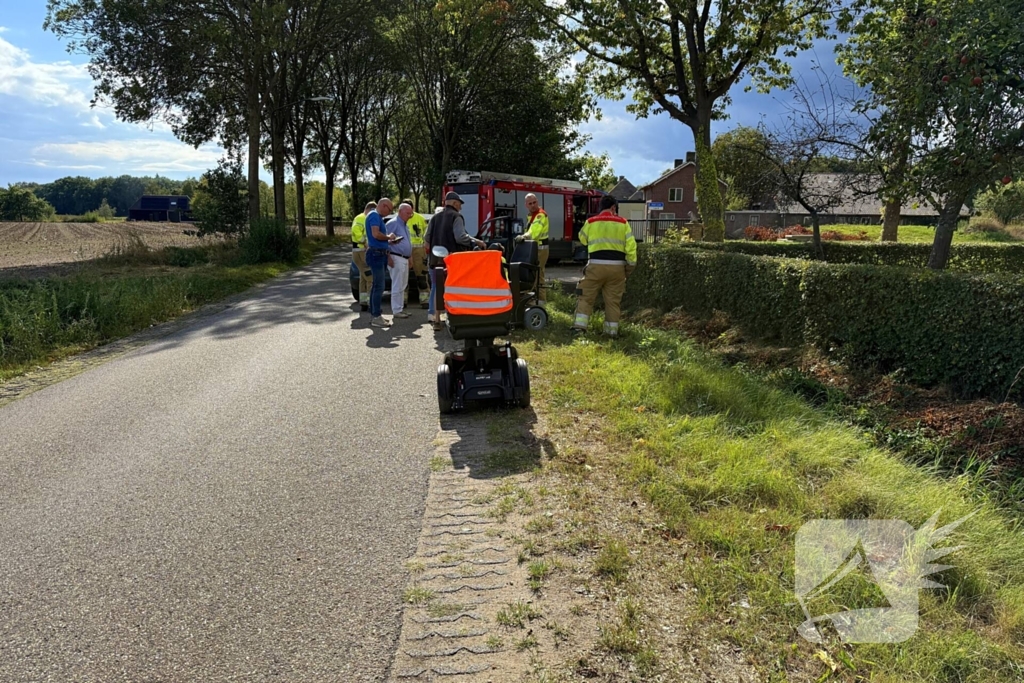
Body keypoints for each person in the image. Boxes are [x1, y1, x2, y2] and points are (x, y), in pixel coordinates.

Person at [572, 195, 637, 337]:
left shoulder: (591, 222)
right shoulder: (623, 223)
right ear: (613, 207)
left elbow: (582, 239)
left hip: (595, 266)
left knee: (586, 297)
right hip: (617, 269)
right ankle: (610, 333)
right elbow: (631, 248)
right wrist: (629, 268)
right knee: (613, 302)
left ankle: (579, 329)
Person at [424, 191, 486, 330]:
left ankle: (436, 320)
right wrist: (476, 242)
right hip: (451, 260)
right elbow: (460, 237)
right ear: (455, 203)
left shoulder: (434, 218)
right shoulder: (456, 216)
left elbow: (427, 239)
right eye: (460, 205)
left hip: (435, 260)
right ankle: (454, 318)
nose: (461, 208)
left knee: (436, 287)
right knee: (453, 287)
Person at [365, 198, 397, 327]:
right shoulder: (374, 216)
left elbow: (377, 237)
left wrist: (388, 242)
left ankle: (375, 313)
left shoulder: (375, 215)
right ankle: (376, 316)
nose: (389, 213)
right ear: (384, 206)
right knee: (379, 286)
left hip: (378, 253)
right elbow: (376, 234)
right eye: (389, 210)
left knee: (376, 285)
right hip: (376, 254)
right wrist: (389, 237)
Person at [516, 193, 550, 304]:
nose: (533, 205)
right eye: (530, 203)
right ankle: (537, 300)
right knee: (536, 275)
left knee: (537, 275)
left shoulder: (540, 215)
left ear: (537, 201)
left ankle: (538, 302)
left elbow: (534, 232)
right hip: (535, 248)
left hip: (540, 249)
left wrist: (523, 237)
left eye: (534, 202)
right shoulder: (531, 215)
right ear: (526, 205)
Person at [386, 203, 414, 319]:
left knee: (403, 284)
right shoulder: (393, 223)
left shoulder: (405, 225)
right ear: (400, 212)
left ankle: (400, 308)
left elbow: (407, 242)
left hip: (404, 258)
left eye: (410, 213)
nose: (409, 215)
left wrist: (410, 257)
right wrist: (388, 257)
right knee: (397, 284)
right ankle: (397, 310)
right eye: (407, 213)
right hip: (396, 257)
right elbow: (385, 240)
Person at [405, 203, 430, 306]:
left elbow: (427, 233)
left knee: (422, 276)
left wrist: (425, 245)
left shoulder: (420, 218)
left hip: (418, 249)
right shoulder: (401, 218)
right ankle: (402, 301)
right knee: (403, 277)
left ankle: (425, 300)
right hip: (405, 249)